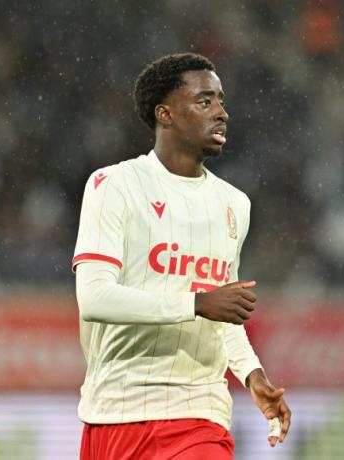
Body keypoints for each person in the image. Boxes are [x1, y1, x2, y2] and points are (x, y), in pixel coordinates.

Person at [72, 53, 291, 459]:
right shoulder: (114, 185)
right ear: (165, 114)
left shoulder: (234, 204)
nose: (222, 113)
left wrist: (252, 375)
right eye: (205, 102)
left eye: (221, 101)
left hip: (198, 415)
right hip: (114, 413)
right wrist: (196, 303)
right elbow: (95, 298)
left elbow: (222, 314)